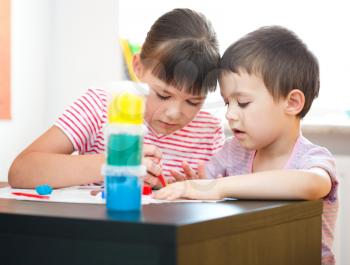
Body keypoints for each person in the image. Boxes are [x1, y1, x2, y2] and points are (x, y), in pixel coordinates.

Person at [153, 26, 338, 265]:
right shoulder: (232, 152)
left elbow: (311, 185)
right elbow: (204, 189)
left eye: (242, 102)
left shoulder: (312, 159)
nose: (230, 114)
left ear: (292, 102)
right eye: (227, 102)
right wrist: (185, 189)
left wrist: (217, 187)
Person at [8, 8, 224, 189]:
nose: (174, 113)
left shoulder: (209, 131)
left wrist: (201, 189)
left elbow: (223, 195)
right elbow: (21, 171)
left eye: (193, 102)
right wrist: (114, 164)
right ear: (138, 66)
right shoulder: (100, 106)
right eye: (163, 94)